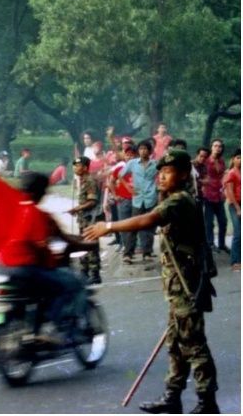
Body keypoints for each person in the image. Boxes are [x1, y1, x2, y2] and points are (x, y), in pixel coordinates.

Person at [85, 148, 219, 415]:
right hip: (178, 288)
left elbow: (147, 219)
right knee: (176, 344)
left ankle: (207, 403)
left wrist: (108, 227)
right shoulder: (173, 199)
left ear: (182, 175)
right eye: (160, 173)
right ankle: (172, 397)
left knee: (193, 344)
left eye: (167, 172)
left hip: (187, 288)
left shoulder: (180, 200)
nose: (161, 177)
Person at [0, 170, 91, 345]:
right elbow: (43, 245)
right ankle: (54, 328)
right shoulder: (37, 214)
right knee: (72, 284)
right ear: (40, 192)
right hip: (26, 268)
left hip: (2, 267)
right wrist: (53, 262)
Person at [118, 140, 159, 266]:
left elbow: (163, 174)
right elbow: (120, 175)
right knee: (133, 226)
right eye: (141, 149)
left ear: (150, 151)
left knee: (149, 227)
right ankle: (128, 254)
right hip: (137, 199)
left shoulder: (155, 164)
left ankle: (147, 252)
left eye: (145, 149)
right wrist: (129, 188)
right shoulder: (132, 163)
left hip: (151, 198)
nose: (143, 151)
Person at [70, 156, 102, 284]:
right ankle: (85, 271)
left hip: (90, 217)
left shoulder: (89, 181)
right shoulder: (82, 180)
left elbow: (92, 201)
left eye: (78, 166)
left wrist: (77, 208)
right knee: (83, 243)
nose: (75, 168)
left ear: (85, 167)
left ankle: (94, 273)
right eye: (75, 165)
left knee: (90, 244)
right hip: (83, 218)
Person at [200, 139, 227, 254]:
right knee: (209, 222)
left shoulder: (221, 161)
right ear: (211, 147)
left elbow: (223, 177)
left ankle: (222, 244)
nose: (217, 148)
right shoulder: (205, 161)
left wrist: (224, 190)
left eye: (219, 146)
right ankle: (210, 244)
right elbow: (199, 175)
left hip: (219, 194)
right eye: (215, 146)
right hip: (208, 194)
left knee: (223, 221)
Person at [223, 149, 241, 270]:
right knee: (238, 233)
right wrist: (238, 208)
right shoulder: (231, 173)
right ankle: (235, 261)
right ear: (233, 159)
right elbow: (229, 192)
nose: (241, 160)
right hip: (235, 204)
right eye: (238, 157)